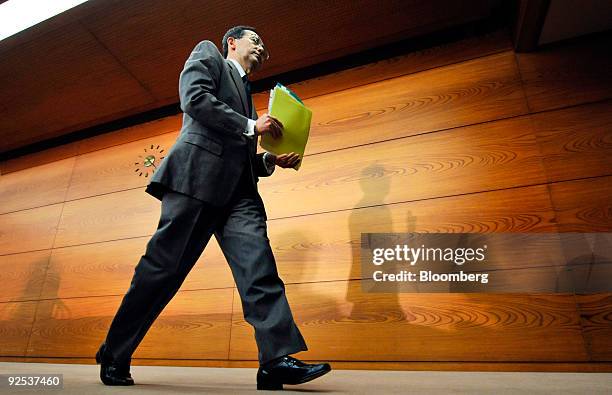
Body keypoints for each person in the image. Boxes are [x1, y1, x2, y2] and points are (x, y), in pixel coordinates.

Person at [95, 25, 331, 390]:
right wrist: (253, 125)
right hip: (195, 180)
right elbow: (195, 100)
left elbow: (238, 155)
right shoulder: (209, 54)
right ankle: (114, 351)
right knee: (161, 271)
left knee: (259, 269)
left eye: (264, 44)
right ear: (232, 42)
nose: (261, 47)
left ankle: (274, 360)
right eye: (255, 39)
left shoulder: (249, 96)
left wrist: (269, 161)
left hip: (240, 195)